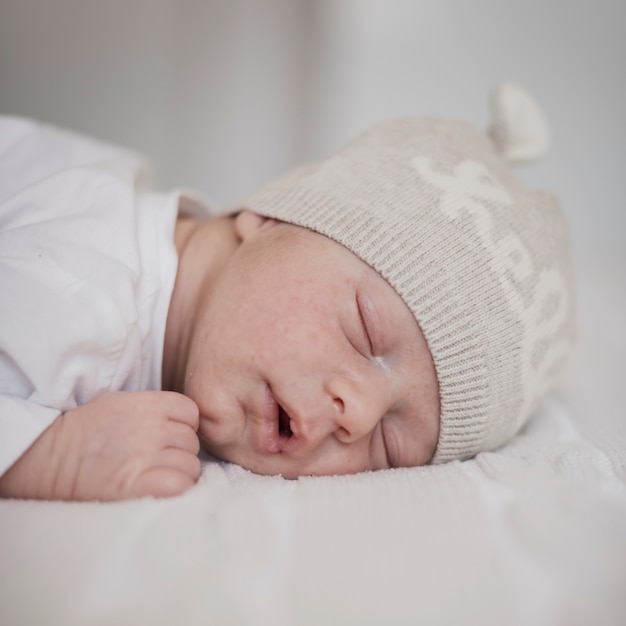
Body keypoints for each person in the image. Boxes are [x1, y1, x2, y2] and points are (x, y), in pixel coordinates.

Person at [0, 82, 576, 501]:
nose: (360, 413)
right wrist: (48, 456)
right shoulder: (80, 276)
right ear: (268, 218)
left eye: (391, 445)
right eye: (366, 331)